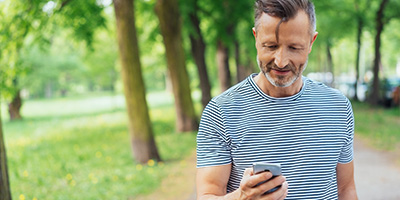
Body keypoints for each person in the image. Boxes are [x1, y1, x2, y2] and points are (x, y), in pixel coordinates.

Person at [196, 0, 358, 199]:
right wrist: (241, 197)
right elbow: (207, 194)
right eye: (271, 46)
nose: (281, 61)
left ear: (311, 43)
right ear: (256, 38)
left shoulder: (338, 107)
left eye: (294, 47)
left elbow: (346, 190)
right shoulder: (221, 112)